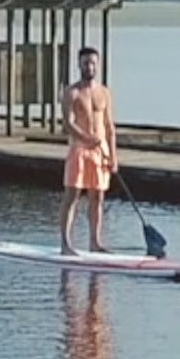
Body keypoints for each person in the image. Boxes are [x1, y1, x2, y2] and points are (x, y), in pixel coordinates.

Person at [59, 47, 117, 255]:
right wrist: (86, 138)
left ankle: (95, 242)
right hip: (80, 150)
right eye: (86, 63)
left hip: (100, 152)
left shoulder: (104, 92)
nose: (89, 67)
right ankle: (66, 244)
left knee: (97, 197)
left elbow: (109, 126)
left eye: (93, 63)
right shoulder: (72, 92)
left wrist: (113, 156)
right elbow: (68, 123)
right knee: (72, 195)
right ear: (79, 65)